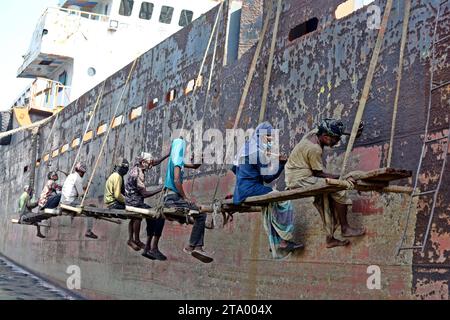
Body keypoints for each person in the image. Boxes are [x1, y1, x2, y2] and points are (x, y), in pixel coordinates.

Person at [285, 118, 366, 248]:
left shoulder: (317, 131)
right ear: (326, 136)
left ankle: (330, 238)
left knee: (326, 197)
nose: (337, 142)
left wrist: (352, 134)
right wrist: (341, 179)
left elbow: (336, 132)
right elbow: (318, 174)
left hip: (298, 174)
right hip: (299, 178)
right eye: (335, 139)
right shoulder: (314, 149)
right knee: (338, 188)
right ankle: (345, 228)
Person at [232, 122, 303, 259]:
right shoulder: (257, 151)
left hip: (241, 190)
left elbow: (235, 169)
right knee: (281, 199)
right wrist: (281, 164)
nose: (270, 141)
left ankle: (277, 242)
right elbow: (267, 177)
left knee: (270, 205)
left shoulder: (245, 148)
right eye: (268, 138)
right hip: (251, 189)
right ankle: (283, 239)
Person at [163, 138, 214, 264]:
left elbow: (194, 166)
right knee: (201, 214)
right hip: (173, 199)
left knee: (198, 215)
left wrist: (199, 159)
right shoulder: (177, 161)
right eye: (183, 148)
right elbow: (176, 180)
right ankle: (193, 246)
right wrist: (185, 197)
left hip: (170, 197)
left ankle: (195, 247)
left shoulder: (175, 160)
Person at [125, 152, 168, 260]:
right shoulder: (138, 174)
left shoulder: (138, 165)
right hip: (135, 203)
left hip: (131, 200)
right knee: (159, 216)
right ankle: (152, 247)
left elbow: (155, 162)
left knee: (151, 217)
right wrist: (160, 189)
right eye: (149, 163)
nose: (150, 166)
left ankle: (147, 248)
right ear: (143, 162)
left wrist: (168, 154)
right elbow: (144, 194)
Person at [61, 162, 98, 240]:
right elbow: (81, 194)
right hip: (70, 201)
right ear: (81, 171)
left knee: (79, 204)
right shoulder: (77, 178)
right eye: (83, 172)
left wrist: (85, 188)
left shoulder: (71, 176)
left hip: (64, 200)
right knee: (90, 210)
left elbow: (75, 190)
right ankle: (88, 231)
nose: (83, 174)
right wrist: (86, 189)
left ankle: (71, 216)